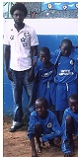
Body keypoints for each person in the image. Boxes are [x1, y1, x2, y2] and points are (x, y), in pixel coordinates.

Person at [4, 3, 39, 132]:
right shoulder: (9, 30)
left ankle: (32, 122)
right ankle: (17, 121)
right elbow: (6, 50)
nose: (18, 17)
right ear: (13, 16)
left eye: (20, 14)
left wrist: (32, 69)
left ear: (24, 15)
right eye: (15, 14)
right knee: (17, 98)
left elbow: (34, 51)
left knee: (31, 99)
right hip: (14, 70)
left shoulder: (30, 30)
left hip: (27, 70)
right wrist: (6, 69)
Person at [54, 39, 78, 124]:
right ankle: (60, 124)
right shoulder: (57, 56)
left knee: (73, 105)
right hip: (61, 86)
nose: (66, 51)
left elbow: (76, 48)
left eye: (68, 49)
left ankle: (73, 124)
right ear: (60, 48)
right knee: (60, 107)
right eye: (64, 49)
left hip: (72, 85)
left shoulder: (74, 55)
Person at [34, 47, 56, 112]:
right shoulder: (38, 65)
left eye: (46, 56)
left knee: (53, 102)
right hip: (42, 85)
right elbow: (35, 78)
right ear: (39, 56)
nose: (44, 59)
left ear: (49, 56)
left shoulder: (54, 63)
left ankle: (54, 118)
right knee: (42, 102)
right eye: (42, 57)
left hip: (52, 85)